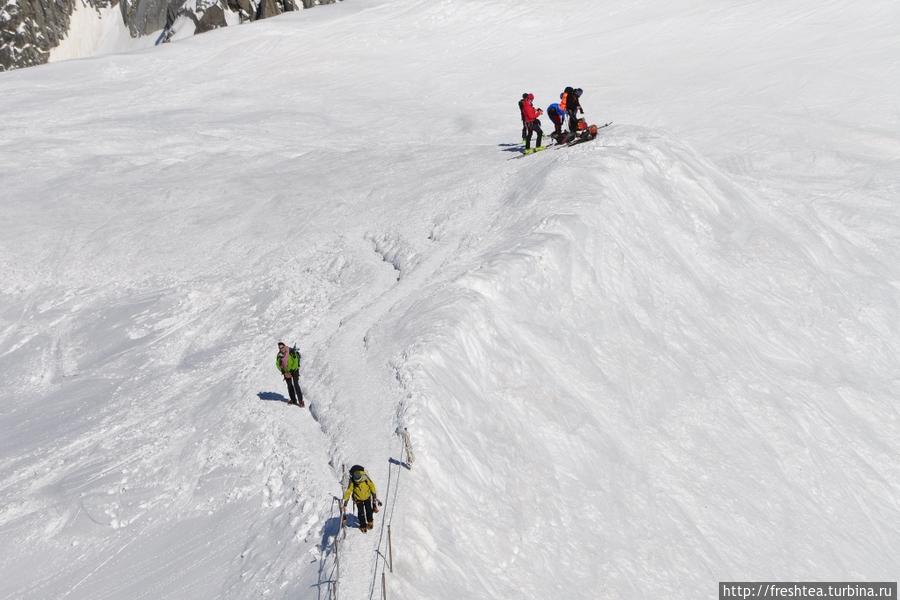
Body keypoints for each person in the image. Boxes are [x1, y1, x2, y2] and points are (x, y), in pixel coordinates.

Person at [343, 465, 378, 532]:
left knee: (369, 510)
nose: (358, 483)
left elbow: (372, 486)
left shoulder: (366, 478)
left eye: (359, 481)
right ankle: (363, 525)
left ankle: (370, 522)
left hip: (367, 497)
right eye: (357, 482)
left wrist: (374, 496)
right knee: (361, 512)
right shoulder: (353, 481)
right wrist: (345, 503)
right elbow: (349, 491)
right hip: (358, 499)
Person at [275, 342, 304, 407]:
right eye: (280, 348)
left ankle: (301, 401)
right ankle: (293, 400)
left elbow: (295, 362)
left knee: (296, 384)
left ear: (285, 346)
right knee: (289, 385)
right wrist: (284, 372)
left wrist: (291, 372)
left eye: (282, 347)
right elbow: (277, 364)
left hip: (294, 369)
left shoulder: (291, 351)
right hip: (286, 371)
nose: (281, 349)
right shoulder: (279, 355)